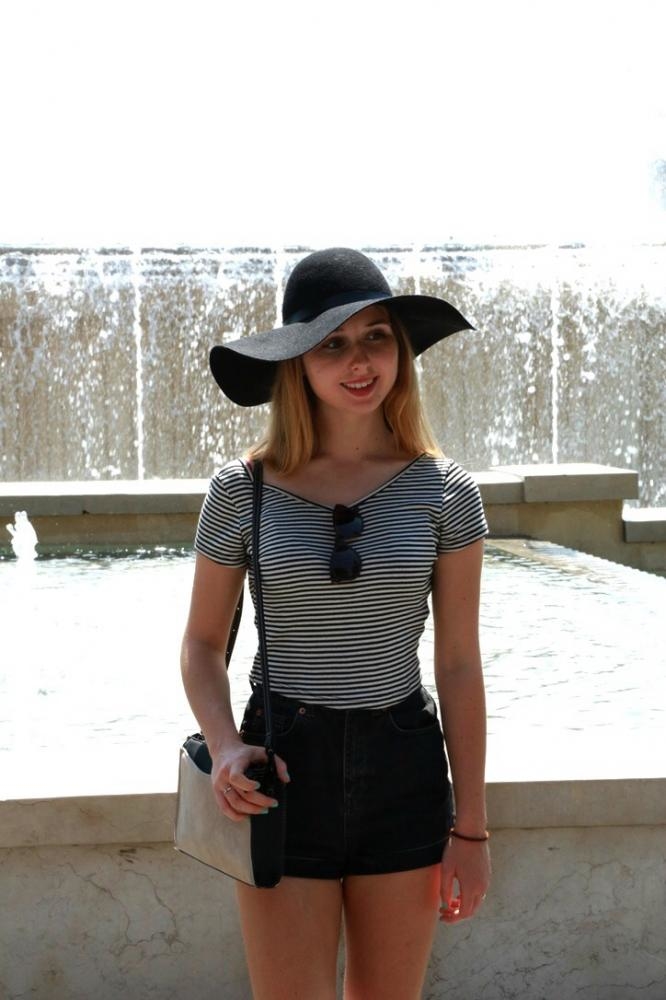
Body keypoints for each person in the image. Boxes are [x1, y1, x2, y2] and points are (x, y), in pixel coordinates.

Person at [181, 247, 491, 999]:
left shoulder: (446, 491)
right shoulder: (242, 490)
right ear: (299, 362)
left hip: (403, 768)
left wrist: (472, 828)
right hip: (281, 770)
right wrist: (225, 747)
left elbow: (457, 664)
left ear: (401, 350)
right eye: (334, 344)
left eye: (376, 337)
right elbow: (201, 645)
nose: (360, 361)